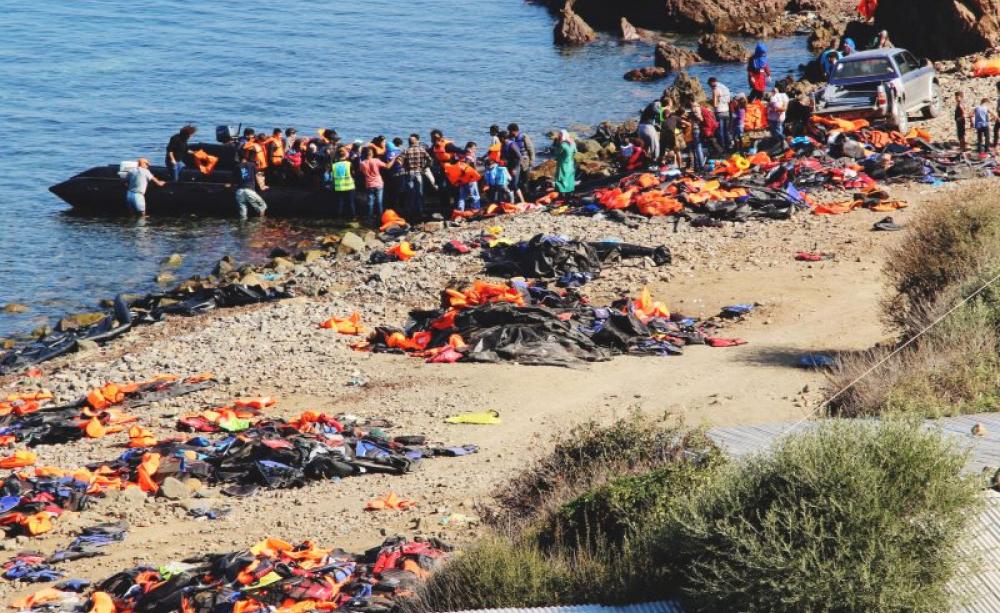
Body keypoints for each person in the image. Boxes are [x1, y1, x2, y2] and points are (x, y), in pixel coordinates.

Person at [399, 133, 434, 217]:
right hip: (419, 172)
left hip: (409, 173)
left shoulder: (406, 150)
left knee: (410, 193)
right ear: (417, 141)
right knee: (419, 192)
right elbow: (430, 160)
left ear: (409, 142)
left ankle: (410, 211)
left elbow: (399, 161)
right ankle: (420, 210)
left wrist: (403, 167)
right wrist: (424, 167)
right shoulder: (422, 150)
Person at [359, 146, 390, 222]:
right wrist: (394, 159)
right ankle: (381, 217)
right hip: (378, 183)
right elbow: (387, 166)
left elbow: (361, 171)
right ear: (371, 154)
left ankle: (369, 218)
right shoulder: (376, 160)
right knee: (379, 201)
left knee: (370, 202)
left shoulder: (362, 163)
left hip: (369, 184)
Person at [235, 149, 267, 219]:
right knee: (263, 206)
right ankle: (260, 223)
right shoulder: (252, 165)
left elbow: (234, 180)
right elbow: (258, 177)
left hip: (239, 192)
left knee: (243, 214)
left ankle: (243, 228)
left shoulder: (237, 166)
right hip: (249, 191)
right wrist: (262, 187)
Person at [507, 123, 535, 196]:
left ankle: (526, 195)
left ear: (514, 131)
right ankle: (519, 196)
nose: (509, 133)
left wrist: (532, 161)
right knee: (516, 180)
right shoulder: (509, 138)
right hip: (515, 163)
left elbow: (531, 149)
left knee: (525, 180)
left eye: (510, 131)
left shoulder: (523, 137)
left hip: (525, 162)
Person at [499, 131, 525, 203]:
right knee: (509, 185)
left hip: (515, 167)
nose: (499, 140)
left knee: (514, 185)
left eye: (500, 138)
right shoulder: (503, 145)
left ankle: (523, 201)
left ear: (503, 138)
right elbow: (502, 156)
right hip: (508, 167)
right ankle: (511, 201)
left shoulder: (512, 145)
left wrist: (515, 168)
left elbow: (519, 157)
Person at [455, 142, 482, 211]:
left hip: (461, 178)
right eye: (474, 148)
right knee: (475, 195)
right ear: (470, 148)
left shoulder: (459, 155)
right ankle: (476, 209)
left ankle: (460, 210)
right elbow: (473, 168)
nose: (475, 150)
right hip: (470, 179)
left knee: (462, 196)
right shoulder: (470, 156)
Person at [708, 77, 732, 151]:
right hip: (727, 111)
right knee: (727, 130)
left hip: (719, 112)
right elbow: (729, 99)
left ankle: (723, 146)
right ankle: (729, 145)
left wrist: (710, 105)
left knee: (720, 130)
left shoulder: (715, 90)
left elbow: (715, 104)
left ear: (711, 83)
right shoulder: (724, 87)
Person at [330, 149, 356, 217]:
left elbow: (332, 176)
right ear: (345, 156)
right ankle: (353, 217)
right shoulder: (349, 164)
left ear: (338, 156)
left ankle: (339, 217)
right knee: (351, 203)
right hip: (349, 186)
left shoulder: (334, 165)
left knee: (339, 203)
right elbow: (353, 174)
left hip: (339, 186)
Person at [554, 130, 577, 196]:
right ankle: (570, 191)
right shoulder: (573, 143)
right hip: (570, 163)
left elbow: (556, 153)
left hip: (563, 163)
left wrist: (558, 143)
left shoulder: (562, 145)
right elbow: (575, 151)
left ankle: (562, 192)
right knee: (569, 177)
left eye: (559, 135)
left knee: (561, 177)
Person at [638, 98, 662, 162]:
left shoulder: (647, 109)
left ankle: (642, 161)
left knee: (644, 145)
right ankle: (654, 161)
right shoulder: (656, 103)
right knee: (655, 144)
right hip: (648, 127)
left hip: (640, 127)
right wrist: (661, 111)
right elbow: (656, 108)